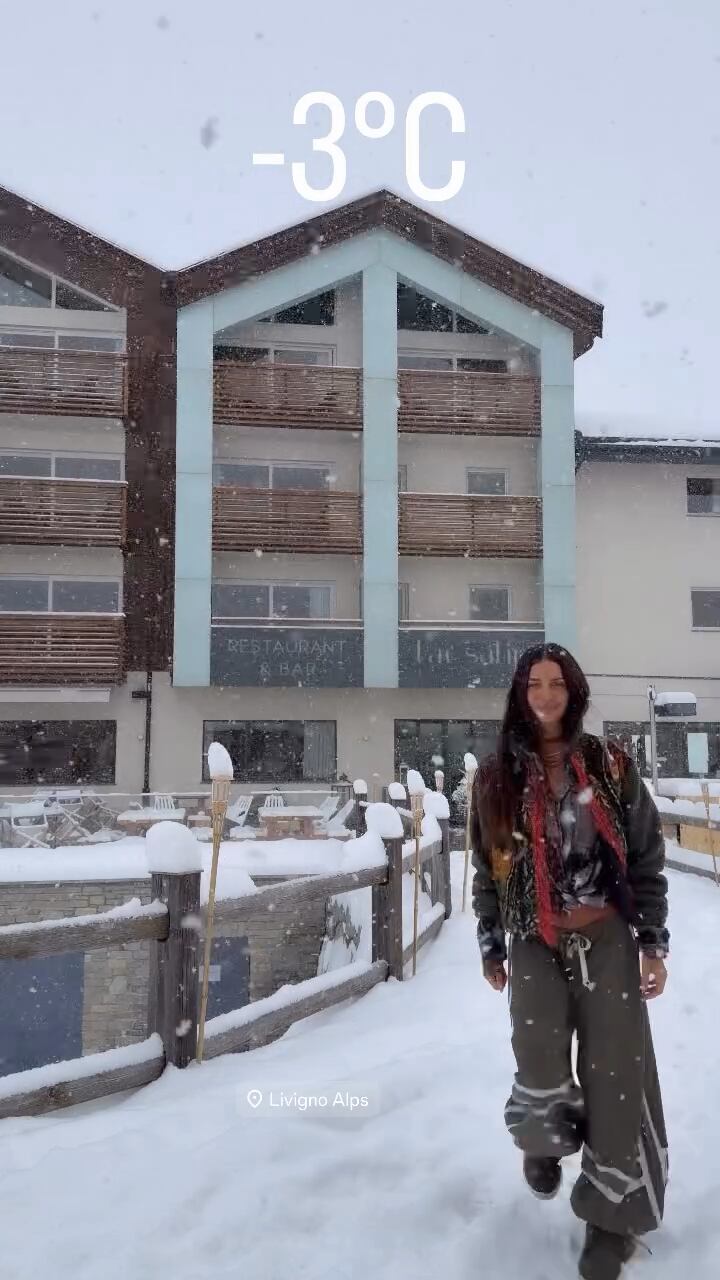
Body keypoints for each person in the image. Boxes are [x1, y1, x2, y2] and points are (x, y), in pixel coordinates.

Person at [470, 643, 669, 1280]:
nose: (547, 695)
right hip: (534, 940)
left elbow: (645, 856)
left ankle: (612, 1220)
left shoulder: (609, 765)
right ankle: (543, 1141)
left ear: (573, 690)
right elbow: (488, 867)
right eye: (536, 684)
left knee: (616, 1074)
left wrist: (652, 942)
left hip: (607, 940)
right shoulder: (495, 776)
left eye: (558, 683)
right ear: (520, 693)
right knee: (537, 1052)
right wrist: (491, 939)